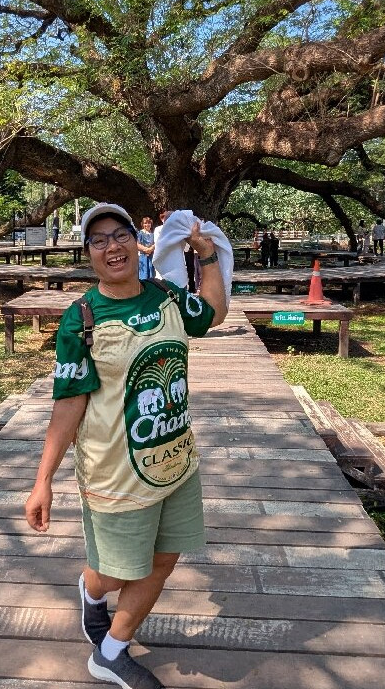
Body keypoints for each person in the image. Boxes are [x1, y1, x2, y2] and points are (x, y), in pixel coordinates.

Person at [25, 202, 228, 689]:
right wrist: (42, 482)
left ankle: (111, 652)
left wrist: (210, 258)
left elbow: (215, 313)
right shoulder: (82, 318)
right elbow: (68, 404)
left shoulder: (167, 296)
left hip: (175, 462)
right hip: (115, 471)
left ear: (137, 244)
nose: (112, 246)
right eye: (99, 240)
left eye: (120, 235)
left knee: (163, 560)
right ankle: (92, 589)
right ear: (88, 253)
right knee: (115, 574)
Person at [136, 216, 155, 280]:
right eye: (145, 223)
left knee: (151, 274)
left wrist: (151, 248)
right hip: (143, 257)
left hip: (151, 257)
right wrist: (146, 249)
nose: (147, 225)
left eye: (149, 223)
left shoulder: (152, 234)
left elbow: (156, 243)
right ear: (143, 224)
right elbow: (137, 244)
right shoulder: (140, 233)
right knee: (144, 275)